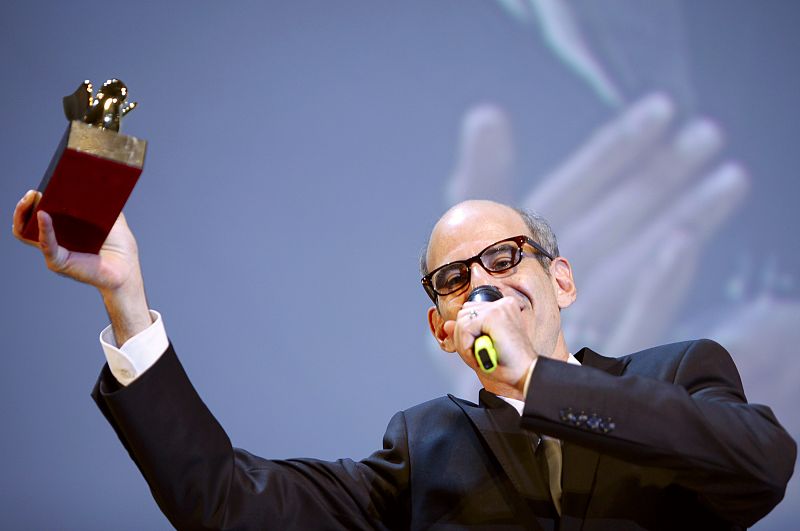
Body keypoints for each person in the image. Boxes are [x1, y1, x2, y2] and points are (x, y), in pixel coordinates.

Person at [12, 193, 796, 530]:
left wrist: (536, 382)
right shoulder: (424, 448)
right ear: (441, 326)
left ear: (561, 277)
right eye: (454, 279)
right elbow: (225, 501)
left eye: (504, 256)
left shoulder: (678, 371)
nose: (481, 281)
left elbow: (761, 463)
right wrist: (126, 298)